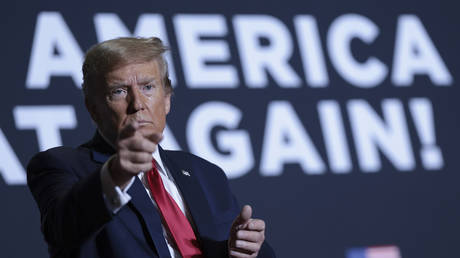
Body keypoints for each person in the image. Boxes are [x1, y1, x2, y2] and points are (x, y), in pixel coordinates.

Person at [27, 37, 276, 258]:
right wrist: (116, 175)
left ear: (166, 98)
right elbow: (62, 232)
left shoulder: (205, 173)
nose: (137, 103)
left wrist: (243, 250)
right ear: (93, 108)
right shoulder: (61, 165)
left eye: (147, 87)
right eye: (119, 91)